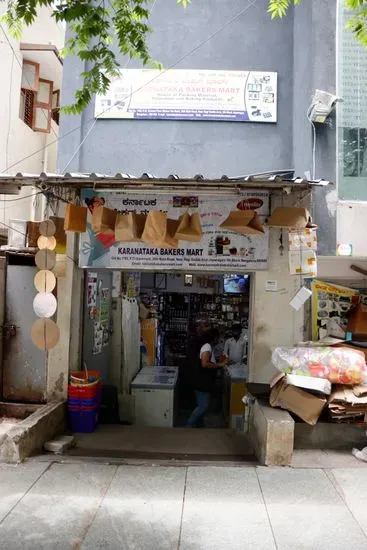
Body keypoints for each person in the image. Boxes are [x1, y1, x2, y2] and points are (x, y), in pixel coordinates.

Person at [186, 328, 228, 428]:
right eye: (218, 337)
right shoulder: (207, 347)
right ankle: (188, 426)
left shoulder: (205, 346)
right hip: (203, 381)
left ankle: (199, 425)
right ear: (214, 338)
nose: (218, 340)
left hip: (200, 380)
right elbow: (204, 364)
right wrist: (219, 364)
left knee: (200, 405)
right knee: (203, 406)